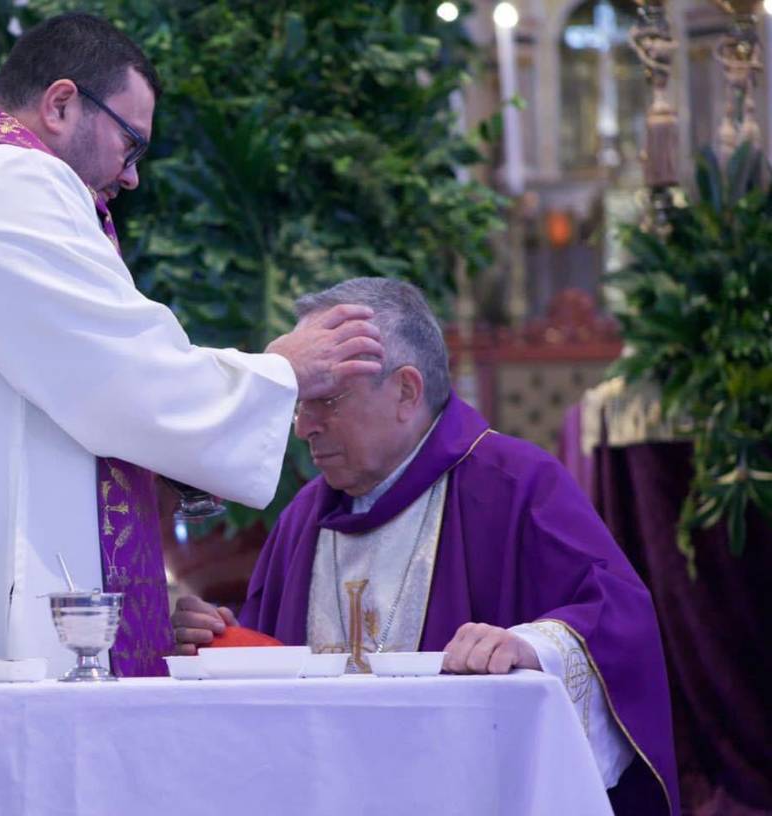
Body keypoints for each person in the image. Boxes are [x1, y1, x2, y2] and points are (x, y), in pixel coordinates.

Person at [0, 13, 382, 682]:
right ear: (61, 103)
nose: (132, 176)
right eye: (132, 143)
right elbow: (119, 374)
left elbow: (59, 381)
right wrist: (281, 372)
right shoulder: (7, 181)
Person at [172, 277, 678, 815]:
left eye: (324, 401)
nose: (303, 428)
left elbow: (620, 620)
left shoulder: (512, 485)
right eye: (299, 405)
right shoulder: (304, 519)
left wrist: (531, 647)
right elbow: (279, 678)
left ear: (406, 393)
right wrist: (226, 645)